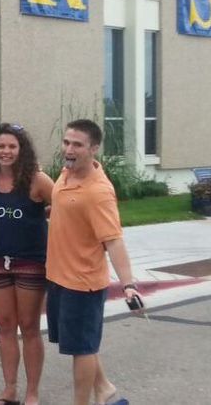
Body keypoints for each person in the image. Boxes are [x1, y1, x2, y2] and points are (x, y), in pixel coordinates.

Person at [46, 120, 141, 405]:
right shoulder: (66, 173)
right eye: (66, 143)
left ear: (94, 148)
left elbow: (113, 240)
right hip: (58, 276)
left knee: (82, 349)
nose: (69, 149)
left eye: (77, 145)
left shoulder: (98, 192)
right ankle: (105, 391)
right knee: (80, 343)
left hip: (82, 283)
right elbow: (64, 208)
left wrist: (129, 285)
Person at [0, 124, 55, 405]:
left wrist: (47, 213)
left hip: (31, 263)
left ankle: (32, 393)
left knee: (30, 326)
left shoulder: (37, 180)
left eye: (12, 146)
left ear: (21, 149)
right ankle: (10, 389)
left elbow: (65, 205)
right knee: (6, 325)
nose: (6, 151)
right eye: (1, 146)